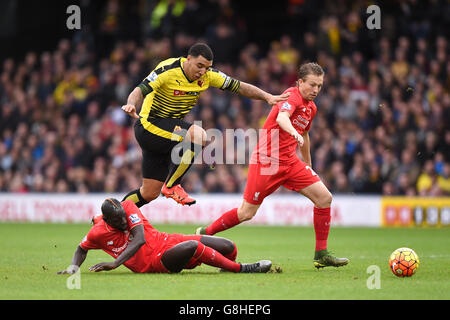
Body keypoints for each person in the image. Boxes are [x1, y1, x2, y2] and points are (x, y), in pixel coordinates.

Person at [196, 62, 349, 269]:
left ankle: (321, 254)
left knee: (324, 198)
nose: (316, 90)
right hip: (267, 162)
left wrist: (308, 163)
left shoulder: (311, 107)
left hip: (290, 162)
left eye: (320, 86)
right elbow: (282, 117)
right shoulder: (291, 95)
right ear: (300, 82)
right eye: (312, 85)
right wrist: (293, 133)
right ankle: (204, 233)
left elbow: (304, 133)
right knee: (246, 213)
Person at [121, 43, 289, 207]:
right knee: (199, 135)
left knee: (149, 193)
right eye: (199, 66)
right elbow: (140, 89)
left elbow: (239, 87)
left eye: (207, 68)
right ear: (188, 59)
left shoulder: (208, 76)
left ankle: (108, 218)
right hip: (149, 125)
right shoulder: (168, 69)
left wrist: (267, 96)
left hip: (165, 134)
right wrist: (131, 104)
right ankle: (172, 186)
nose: (202, 72)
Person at [56, 198, 272, 275]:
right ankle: (242, 269)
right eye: (119, 221)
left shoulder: (128, 207)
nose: (125, 222)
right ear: (107, 220)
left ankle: (226, 265)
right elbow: (81, 248)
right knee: (192, 247)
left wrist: (115, 263)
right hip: (154, 262)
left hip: (168, 240)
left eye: (124, 217)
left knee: (228, 246)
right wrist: (73, 269)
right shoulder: (98, 232)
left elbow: (139, 238)